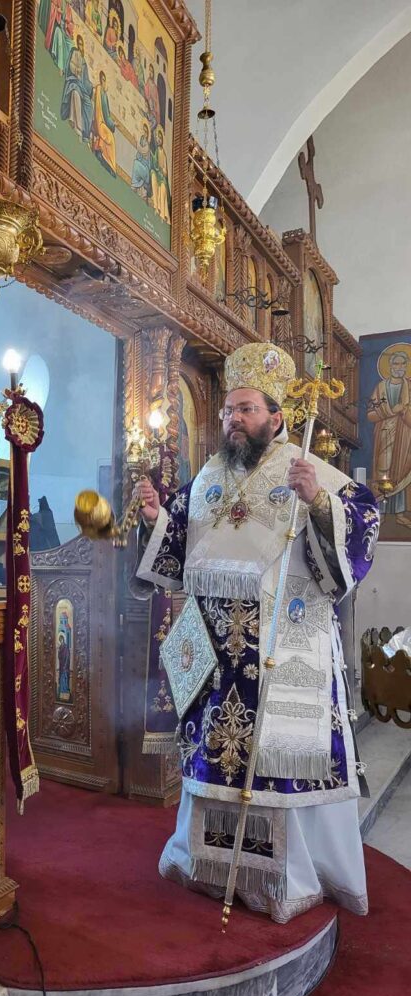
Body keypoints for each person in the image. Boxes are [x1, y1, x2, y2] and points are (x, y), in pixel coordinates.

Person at [132, 342, 378, 924]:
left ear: (276, 416)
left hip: (279, 646)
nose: (233, 420)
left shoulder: (306, 468)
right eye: (228, 411)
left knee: (274, 764)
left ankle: (286, 877)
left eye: (245, 409)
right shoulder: (210, 476)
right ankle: (207, 864)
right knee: (213, 758)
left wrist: (317, 502)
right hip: (215, 654)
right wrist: (157, 519)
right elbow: (180, 546)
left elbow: (361, 525)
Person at [367, 347, 411, 525]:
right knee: (383, 470)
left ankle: (400, 513)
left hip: (404, 435)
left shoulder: (410, 387)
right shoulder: (380, 388)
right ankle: (381, 511)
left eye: (403, 364)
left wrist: (404, 411)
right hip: (384, 434)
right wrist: (392, 411)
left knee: (401, 469)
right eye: (396, 364)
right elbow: (370, 414)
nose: (399, 367)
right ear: (390, 366)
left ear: (406, 366)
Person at [61, 35, 93, 141]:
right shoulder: (75, 53)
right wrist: (76, 70)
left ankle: (86, 133)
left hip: (82, 86)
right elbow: (70, 66)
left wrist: (91, 87)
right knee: (75, 93)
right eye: (79, 44)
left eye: (82, 44)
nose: (80, 46)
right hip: (73, 81)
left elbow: (86, 79)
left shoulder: (84, 61)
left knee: (89, 105)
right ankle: (78, 126)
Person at [91, 70, 116, 176]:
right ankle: (110, 164)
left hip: (97, 121)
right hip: (100, 123)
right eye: (104, 80)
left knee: (107, 134)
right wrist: (113, 125)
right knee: (111, 138)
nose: (105, 83)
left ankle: (99, 150)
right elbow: (106, 116)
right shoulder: (103, 94)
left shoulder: (98, 89)